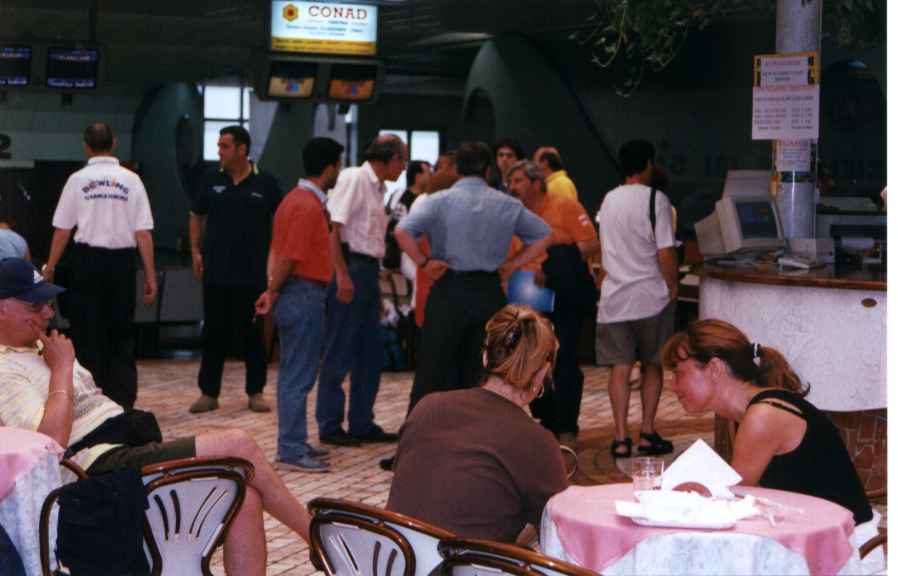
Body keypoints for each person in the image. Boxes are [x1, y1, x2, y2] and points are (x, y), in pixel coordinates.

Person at [0, 258, 312, 576]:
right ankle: (316, 538)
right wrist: (63, 370)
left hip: (125, 447)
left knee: (244, 498)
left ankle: (316, 538)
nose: (47, 313)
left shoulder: (46, 347)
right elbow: (50, 443)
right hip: (93, 465)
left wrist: (62, 366)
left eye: (47, 303)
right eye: (34, 305)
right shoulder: (6, 367)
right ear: (1, 309)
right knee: (238, 444)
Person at [660, 319, 873, 525]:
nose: (672, 385)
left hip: (843, 539)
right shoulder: (744, 414)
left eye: (678, 373)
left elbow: (734, 502)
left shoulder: (763, 415)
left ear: (715, 368)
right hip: (812, 527)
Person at [387, 305, 568, 543]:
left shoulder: (427, 407)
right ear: (541, 374)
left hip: (395, 555)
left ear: (484, 357)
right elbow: (562, 529)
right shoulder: (535, 441)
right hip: (460, 561)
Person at [395, 141, 551, 412]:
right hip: (488, 291)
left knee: (433, 367)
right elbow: (544, 235)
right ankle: (478, 432)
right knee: (483, 369)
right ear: (489, 170)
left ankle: (421, 433)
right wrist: (513, 264)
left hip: (448, 289)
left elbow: (402, 232)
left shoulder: (438, 201)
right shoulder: (507, 204)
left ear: (456, 169)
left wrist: (424, 262)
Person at [43, 122, 157, 410]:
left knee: (87, 331)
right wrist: (150, 276)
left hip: (86, 264)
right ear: (114, 143)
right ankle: (123, 401)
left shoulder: (77, 180)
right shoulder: (132, 180)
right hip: (122, 264)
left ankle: (90, 401)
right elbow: (143, 233)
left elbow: (62, 230)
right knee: (121, 332)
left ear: (86, 146)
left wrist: (50, 267)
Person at [254, 137, 344, 473]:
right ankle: (291, 450)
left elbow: (277, 251)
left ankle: (294, 441)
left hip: (296, 292)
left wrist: (272, 289)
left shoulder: (293, 200)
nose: (339, 171)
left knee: (295, 372)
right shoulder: (307, 206)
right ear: (329, 168)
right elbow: (290, 256)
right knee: (298, 375)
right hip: (303, 293)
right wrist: (273, 290)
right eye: (338, 165)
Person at [316, 134, 406, 447]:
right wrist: (341, 274)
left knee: (370, 351)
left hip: (367, 271)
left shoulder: (379, 188)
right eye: (402, 160)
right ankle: (329, 424)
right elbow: (333, 227)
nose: (403, 167)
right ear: (391, 158)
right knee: (340, 347)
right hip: (350, 266)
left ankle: (361, 422)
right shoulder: (354, 178)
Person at [189, 125, 282, 414]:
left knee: (253, 334)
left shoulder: (265, 182)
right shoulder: (211, 180)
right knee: (213, 332)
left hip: (253, 273)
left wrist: (273, 263)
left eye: (224, 146)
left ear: (242, 150)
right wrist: (195, 251)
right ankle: (208, 393)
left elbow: (281, 223)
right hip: (216, 271)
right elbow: (196, 215)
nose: (219, 151)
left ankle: (256, 391)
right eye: (219, 146)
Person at [595, 139, 678, 458]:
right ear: (648, 164)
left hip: (614, 298)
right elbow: (666, 251)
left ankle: (619, 438)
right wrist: (672, 286)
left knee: (619, 367)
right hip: (650, 298)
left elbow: (604, 247)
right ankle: (646, 432)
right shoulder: (657, 199)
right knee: (652, 365)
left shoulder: (608, 199)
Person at [506, 160, 599, 444]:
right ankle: (545, 422)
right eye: (510, 181)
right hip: (524, 296)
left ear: (537, 183)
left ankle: (567, 425)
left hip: (563, 295)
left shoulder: (565, 205)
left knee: (565, 360)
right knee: (531, 361)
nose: (512, 186)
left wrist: (555, 267)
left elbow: (590, 244)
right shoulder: (512, 214)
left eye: (518, 180)